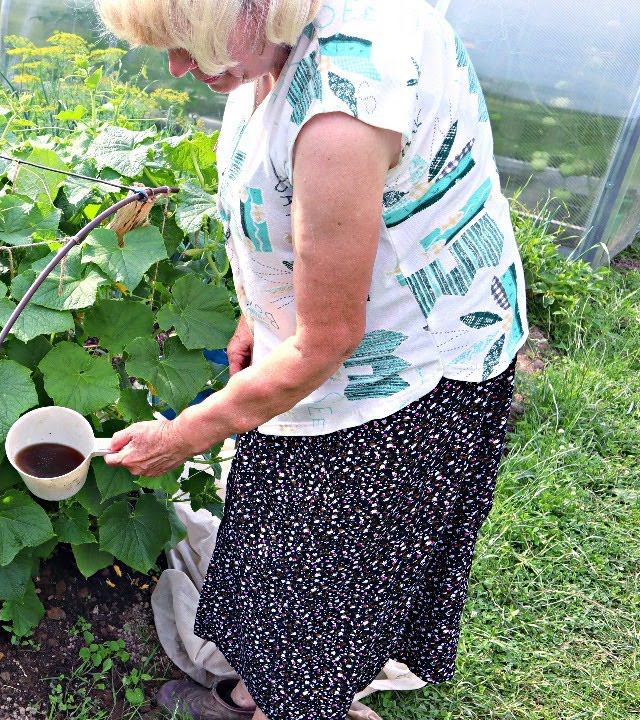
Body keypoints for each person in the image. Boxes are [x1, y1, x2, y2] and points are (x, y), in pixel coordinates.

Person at [94, 0, 528, 718]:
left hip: (401, 387)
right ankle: (270, 690)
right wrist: (259, 302)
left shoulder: (341, 118)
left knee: (327, 586)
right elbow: (307, 221)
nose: (175, 67)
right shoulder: (277, 36)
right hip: (337, 347)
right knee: (288, 554)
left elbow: (327, 340)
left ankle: (283, 707)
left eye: (185, 44)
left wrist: (183, 435)